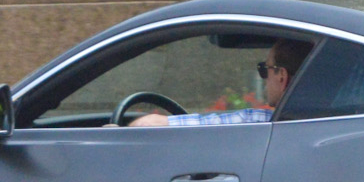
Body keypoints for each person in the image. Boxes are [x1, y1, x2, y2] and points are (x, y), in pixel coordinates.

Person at [128, 38, 312, 127]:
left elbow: (147, 126)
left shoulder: (261, 123)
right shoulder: (322, 122)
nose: (264, 78)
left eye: (265, 69)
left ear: (281, 76)